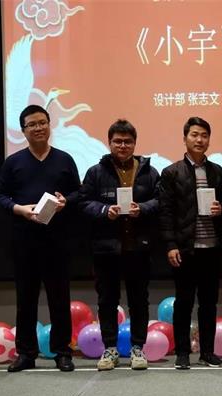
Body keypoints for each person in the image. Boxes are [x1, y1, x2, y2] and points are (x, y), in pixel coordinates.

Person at [0, 104, 80, 372]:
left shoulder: (64, 159)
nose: (38, 128)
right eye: (32, 124)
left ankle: (62, 352)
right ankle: (26, 353)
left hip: (57, 242)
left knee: (59, 299)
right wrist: (19, 209)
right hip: (24, 242)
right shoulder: (13, 162)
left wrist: (67, 201)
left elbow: (79, 193)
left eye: (43, 122)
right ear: (23, 130)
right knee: (26, 300)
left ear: (49, 125)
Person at [78, 119, 160, 371]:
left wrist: (142, 208)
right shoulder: (95, 172)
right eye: (118, 141)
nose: (123, 146)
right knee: (107, 301)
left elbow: (160, 201)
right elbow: (83, 202)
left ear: (135, 143)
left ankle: (138, 348)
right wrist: (105, 210)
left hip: (138, 247)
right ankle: (110, 349)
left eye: (127, 141)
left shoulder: (149, 172)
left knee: (139, 301)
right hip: (106, 248)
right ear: (109, 143)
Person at [159, 117, 222, 370]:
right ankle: (182, 353)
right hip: (185, 249)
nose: (200, 140)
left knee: (209, 303)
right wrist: (170, 245)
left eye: (204, 135)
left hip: (211, 247)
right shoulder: (171, 172)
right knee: (184, 302)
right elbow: (165, 212)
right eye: (194, 135)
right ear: (185, 138)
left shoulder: (217, 171)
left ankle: (207, 352)